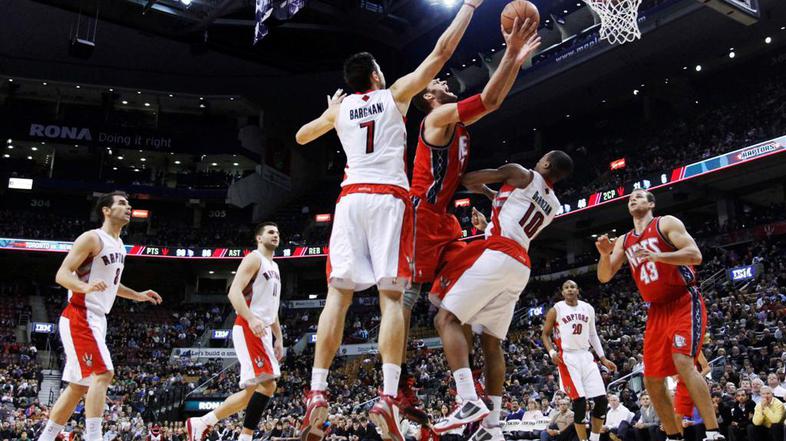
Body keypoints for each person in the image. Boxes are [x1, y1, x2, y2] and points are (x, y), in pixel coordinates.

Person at [294, 0, 483, 438]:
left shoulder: (339, 110)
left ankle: (317, 393)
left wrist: (329, 114)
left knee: (336, 298)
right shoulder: (395, 94)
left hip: (349, 199)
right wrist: (470, 7)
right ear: (376, 75)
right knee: (391, 299)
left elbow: (302, 136)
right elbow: (440, 52)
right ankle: (388, 392)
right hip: (388, 200)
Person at [402, 9, 541, 367]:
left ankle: (465, 387)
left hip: (444, 219)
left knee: (454, 297)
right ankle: (396, 380)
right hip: (420, 214)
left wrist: (516, 60)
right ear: (429, 99)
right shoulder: (435, 119)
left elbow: (494, 102)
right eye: (438, 86)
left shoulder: (457, 126)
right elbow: (489, 101)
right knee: (409, 294)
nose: (445, 84)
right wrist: (510, 53)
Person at [430, 150, 574, 440]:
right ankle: (492, 424)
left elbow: (468, 179)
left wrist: (464, 178)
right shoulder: (554, 204)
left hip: (499, 253)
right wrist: (487, 199)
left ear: (546, 163)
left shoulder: (521, 172)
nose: (538, 159)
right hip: (520, 265)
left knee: (445, 318)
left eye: (542, 157)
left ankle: (468, 399)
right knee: (492, 342)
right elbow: (516, 207)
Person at [595, 189, 724, 441]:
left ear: (651, 203)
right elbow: (604, 276)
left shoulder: (665, 223)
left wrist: (659, 256)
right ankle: (674, 436)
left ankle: (713, 432)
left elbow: (695, 255)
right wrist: (603, 255)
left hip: (683, 300)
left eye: (640, 196)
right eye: (630, 198)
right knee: (652, 378)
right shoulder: (624, 240)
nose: (633, 199)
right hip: (656, 310)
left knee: (684, 362)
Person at [36, 191, 162, 441]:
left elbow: (112, 284)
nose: (128, 207)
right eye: (122, 203)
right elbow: (62, 274)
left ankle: (46, 438)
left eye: (128, 204)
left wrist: (138, 294)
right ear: (106, 210)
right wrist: (85, 287)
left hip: (97, 317)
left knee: (78, 387)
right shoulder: (92, 238)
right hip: (80, 314)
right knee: (103, 374)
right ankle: (94, 437)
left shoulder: (120, 245)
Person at [186, 223, 284, 441]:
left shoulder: (274, 266)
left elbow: (272, 307)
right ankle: (245, 436)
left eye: (277, 232)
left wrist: (279, 338)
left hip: (264, 329)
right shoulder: (254, 258)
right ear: (259, 238)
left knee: (251, 392)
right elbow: (233, 292)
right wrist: (250, 318)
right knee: (269, 384)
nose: (275, 235)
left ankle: (201, 422)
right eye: (270, 232)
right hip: (250, 327)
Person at [542, 280, 617, 441]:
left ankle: (594, 439)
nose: (570, 289)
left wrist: (603, 358)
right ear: (562, 292)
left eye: (573, 287)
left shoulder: (588, 308)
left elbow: (593, 335)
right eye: (566, 288)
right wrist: (551, 352)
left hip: (586, 356)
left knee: (602, 401)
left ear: (578, 290)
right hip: (567, 358)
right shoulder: (556, 309)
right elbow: (545, 334)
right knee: (580, 402)